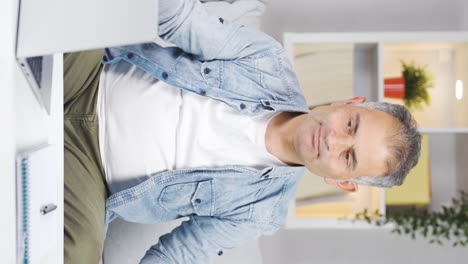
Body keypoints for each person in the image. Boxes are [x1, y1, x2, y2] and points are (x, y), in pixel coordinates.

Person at [63, 0, 422, 263]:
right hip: (91, 76)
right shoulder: (267, 61)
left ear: (343, 182)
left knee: (78, 254)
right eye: (350, 125)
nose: (333, 139)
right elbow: (179, 18)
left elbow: (176, 256)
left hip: (93, 175)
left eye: (348, 157)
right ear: (350, 102)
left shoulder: (261, 212)